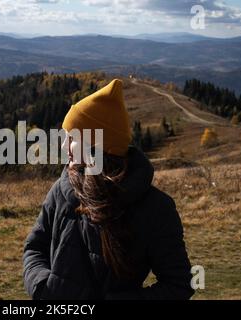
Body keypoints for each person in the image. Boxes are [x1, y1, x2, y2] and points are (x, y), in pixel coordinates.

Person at [23, 79, 194, 300]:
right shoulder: (62, 188)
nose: (64, 146)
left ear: (97, 146)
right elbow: (34, 247)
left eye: (71, 138)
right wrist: (43, 287)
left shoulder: (155, 208)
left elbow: (179, 284)